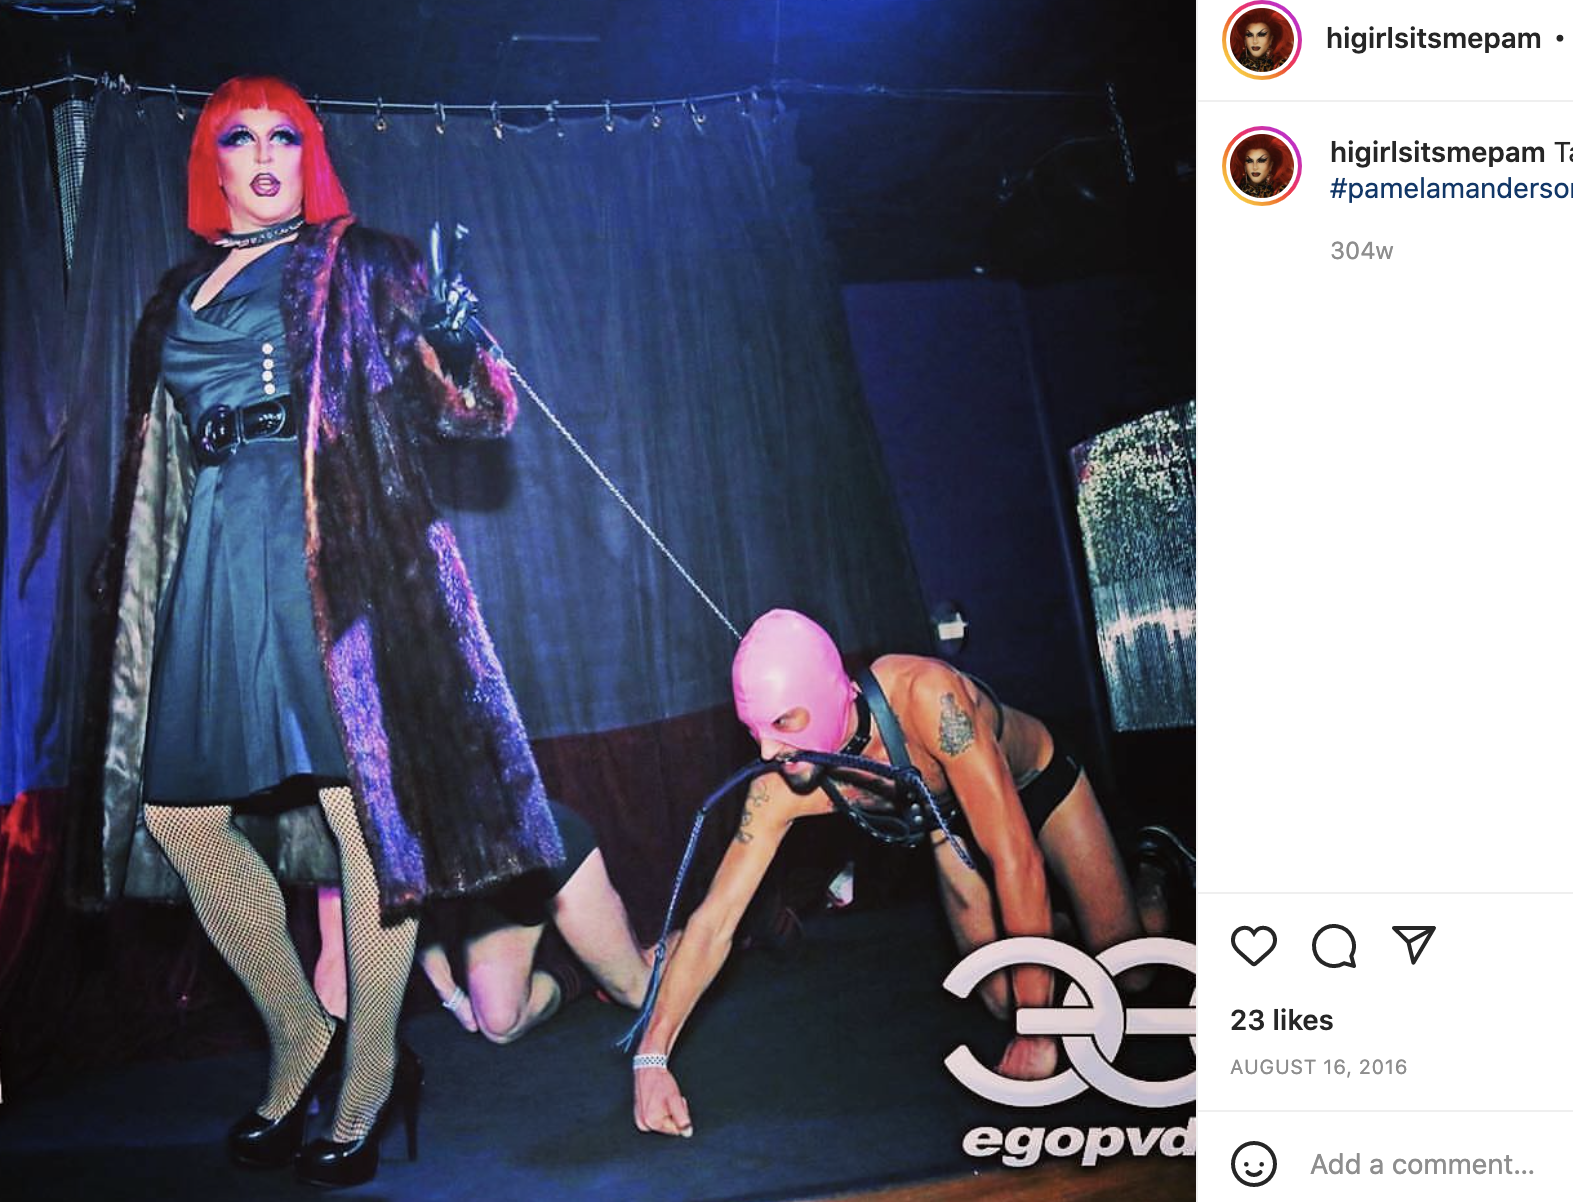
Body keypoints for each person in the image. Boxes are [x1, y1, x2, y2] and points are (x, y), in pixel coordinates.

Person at [70, 75, 562, 1189]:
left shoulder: (361, 261)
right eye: (237, 138)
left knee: (364, 822)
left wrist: (459, 344)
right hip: (212, 562)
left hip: (327, 559)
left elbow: (474, 415)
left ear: (310, 156)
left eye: (283, 138)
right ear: (210, 162)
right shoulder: (174, 295)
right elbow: (156, 461)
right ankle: (300, 1029)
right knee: (177, 813)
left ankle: (372, 1072)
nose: (261, 157)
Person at [631, 609, 1172, 1138]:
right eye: (754, 730)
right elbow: (714, 922)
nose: (769, 749)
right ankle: (1053, 926)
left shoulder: (926, 697)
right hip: (948, 823)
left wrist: (1040, 1031)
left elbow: (1016, 858)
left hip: (1038, 786)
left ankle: (1151, 867)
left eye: (782, 722)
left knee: (1131, 974)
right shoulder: (780, 784)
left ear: (830, 694)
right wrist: (651, 1058)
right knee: (1002, 1000)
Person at [312, 801, 675, 1043]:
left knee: (638, 994)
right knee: (501, 1024)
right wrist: (454, 999)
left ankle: (690, 941)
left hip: (546, 851)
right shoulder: (348, 835)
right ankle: (580, 971)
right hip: (498, 890)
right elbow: (408, 921)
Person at [1231, 132, 1292, 198]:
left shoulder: (1283, 192)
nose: (1255, 167)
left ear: (1271, 165)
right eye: (1249, 161)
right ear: (1244, 165)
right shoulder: (1232, 189)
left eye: (1261, 161)